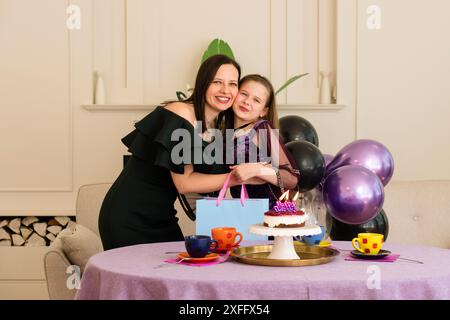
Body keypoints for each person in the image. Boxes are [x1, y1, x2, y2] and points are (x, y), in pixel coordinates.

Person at [98, 55, 256, 250]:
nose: (226, 90)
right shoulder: (181, 113)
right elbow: (184, 183)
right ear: (203, 83)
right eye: (217, 82)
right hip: (128, 216)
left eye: (233, 84)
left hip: (161, 216)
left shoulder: (215, 128)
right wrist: (240, 177)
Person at [228, 74, 300, 208]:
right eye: (244, 94)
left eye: (256, 100)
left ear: (263, 111)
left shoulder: (261, 129)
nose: (247, 102)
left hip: (270, 215)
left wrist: (257, 170)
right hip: (243, 211)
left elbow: (290, 179)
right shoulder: (227, 133)